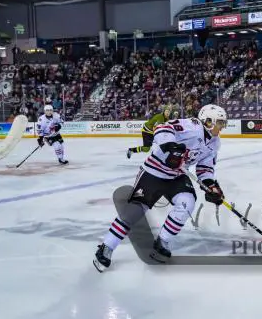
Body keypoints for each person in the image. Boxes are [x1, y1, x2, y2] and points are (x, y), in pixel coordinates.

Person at [94, 104, 228, 272]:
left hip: (176, 176)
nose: (222, 127)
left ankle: (162, 241)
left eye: (224, 123)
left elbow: (205, 168)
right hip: (153, 172)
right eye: (220, 122)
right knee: (134, 211)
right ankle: (107, 246)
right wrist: (170, 146)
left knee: (187, 202)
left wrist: (210, 185)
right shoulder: (193, 126)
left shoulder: (215, 143)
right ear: (208, 121)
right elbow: (163, 127)